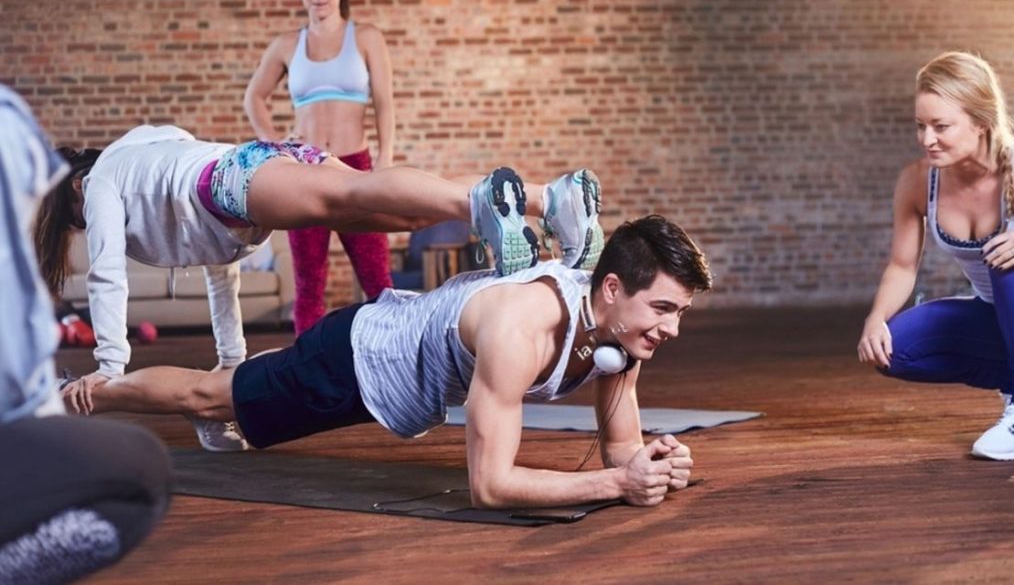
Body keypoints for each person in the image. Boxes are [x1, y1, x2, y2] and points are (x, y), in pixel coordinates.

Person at [62, 215, 711, 509]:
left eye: (680, 312)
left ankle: (234, 383)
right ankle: (90, 394)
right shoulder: (522, 326)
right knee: (209, 397)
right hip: (356, 361)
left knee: (230, 400)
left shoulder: (622, 337)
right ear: (612, 288)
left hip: (400, 361)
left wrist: (655, 464)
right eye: (664, 307)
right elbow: (490, 486)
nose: (673, 328)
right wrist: (616, 486)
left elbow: (620, 452)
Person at [39, 123, 602, 451]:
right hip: (255, 166)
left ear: (73, 193)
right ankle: (549, 198)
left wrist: (109, 367)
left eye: (71, 220)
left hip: (236, 179)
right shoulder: (145, 159)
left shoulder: (104, 180)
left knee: (352, 199)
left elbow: (106, 275)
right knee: (382, 209)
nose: (81, 228)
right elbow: (219, 268)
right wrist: (229, 368)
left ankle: (505, 202)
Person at [0, 0, 172, 575]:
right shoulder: (12, 130)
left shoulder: (126, 167)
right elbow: (18, 362)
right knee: (139, 468)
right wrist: (92, 376)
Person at [857, 51, 1014, 460]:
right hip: (999, 315)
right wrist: (875, 319)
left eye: (941, 126)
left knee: (1005, 255)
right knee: (896, 350)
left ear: (981, 122)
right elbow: (902, 265)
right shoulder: (918, 181)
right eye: (921, 126)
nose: (926, 139)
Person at [244, 0, 397, 334]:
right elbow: (254, 98)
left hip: (355, 169)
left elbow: (384, 102)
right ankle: (304, 378)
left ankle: (392, 370)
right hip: (305, 171)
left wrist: (385, 162)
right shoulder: (285, 44)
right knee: (309, 283)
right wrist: (275, 147)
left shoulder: (366, 37)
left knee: (378, 282)